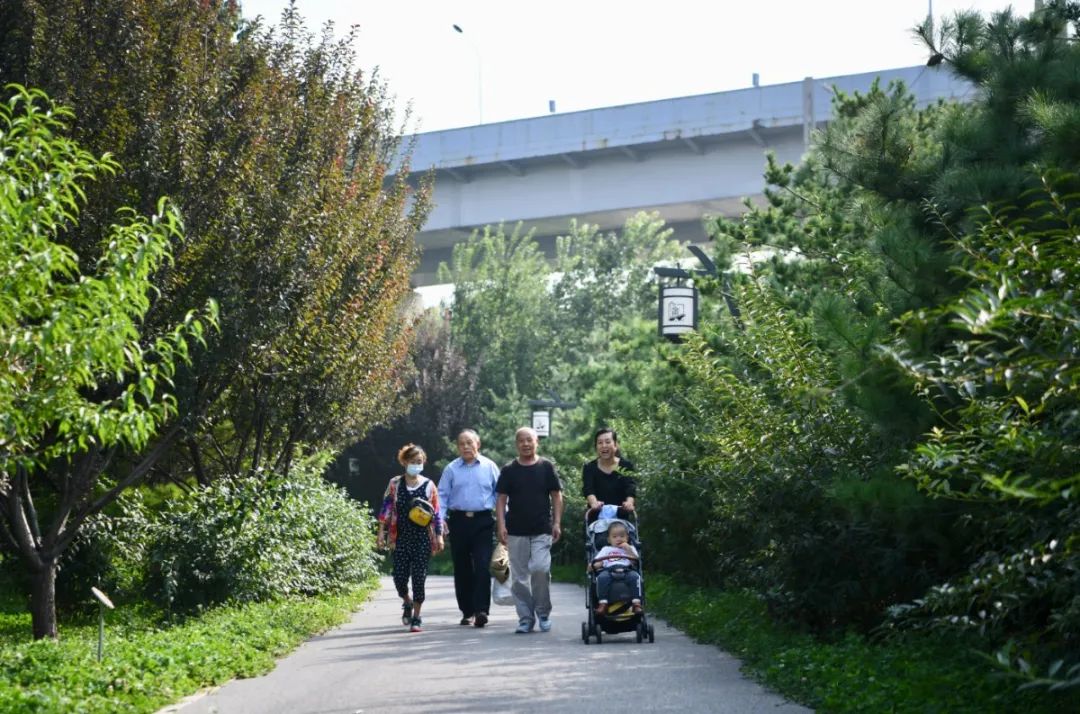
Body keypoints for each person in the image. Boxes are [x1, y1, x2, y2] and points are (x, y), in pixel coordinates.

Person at [496, 427, 563, 634]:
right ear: (517, 444)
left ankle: (543, 613)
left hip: (542, 529)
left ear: (537, 442)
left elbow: (557, 496)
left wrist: (557, 522)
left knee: (540, 569)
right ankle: (525, 618)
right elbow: (500, 499)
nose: (526, 444)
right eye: (521, 441)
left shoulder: (546, 467)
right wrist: (501, 525)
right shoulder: (509, 470)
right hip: (516, 530)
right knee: (519, 577)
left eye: (529, 440)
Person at [377, 444, 444, 633]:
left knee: (419, 578)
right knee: (399, 578)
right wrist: (381, 532)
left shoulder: (429, 485)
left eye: (419, 462)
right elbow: (386, 508)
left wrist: (439, 535)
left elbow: (436, 512)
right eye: (413, 462)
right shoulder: (395, 484)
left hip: (422, 538)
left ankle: (416, 617)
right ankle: (406, 601)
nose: (416, 465)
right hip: (400, 538)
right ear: (404, 462)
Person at [438, 429, 500, 628]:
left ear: (478, 444)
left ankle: (481, 610)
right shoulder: (451, 469)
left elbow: (501, 496)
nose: (466, 447)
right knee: (462, 567)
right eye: (462, 443)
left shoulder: (490, 466)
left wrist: (504, 521)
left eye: (469, 443)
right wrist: (440, 520)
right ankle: (467, 611)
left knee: (482, 565)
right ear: (458, 447)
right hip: (458, 521)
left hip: (483, 521)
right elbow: (441, 496)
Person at [582, 428, 636, 522]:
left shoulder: (626, 465)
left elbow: (630, 487)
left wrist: (629, 503)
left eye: (607, 442)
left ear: (615, 445)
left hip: (621, 520)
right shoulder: (589, 468)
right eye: (600, 443)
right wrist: (594, 503)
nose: (604, 446)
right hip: (596, 520)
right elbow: (588, 489)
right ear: (596, 447)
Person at [590, 521, 642, 615]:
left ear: (627, 537)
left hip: (627, 569)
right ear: (609, 540)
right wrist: (594, 565)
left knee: (635, 577)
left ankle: (636, 603)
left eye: (622, 536)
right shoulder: (606, 549)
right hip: (609, 570)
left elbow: (635, 561)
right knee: (601, 578)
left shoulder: (630, 548)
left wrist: (628, 549)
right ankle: (603, 603)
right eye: (614, 537)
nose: (618, 539)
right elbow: (597, 562)